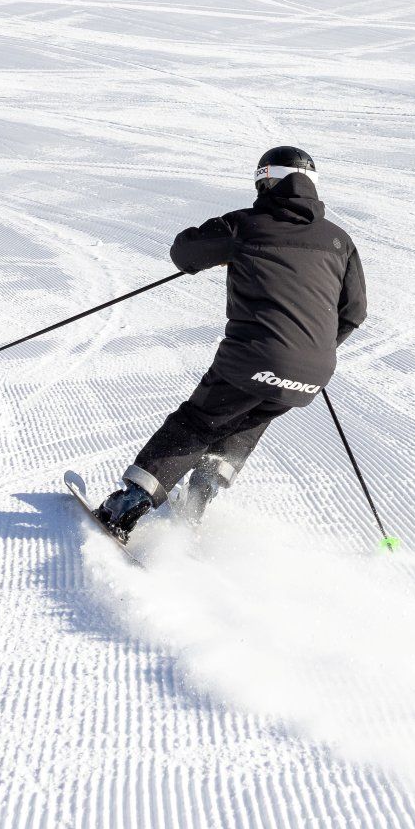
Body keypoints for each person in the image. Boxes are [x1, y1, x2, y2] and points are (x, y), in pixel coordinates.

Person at [91, 146, 368, 541]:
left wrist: (224, 249)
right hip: (313, 371)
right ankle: (196, 504)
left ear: (266, 180)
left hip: (253, 358)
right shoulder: (339, 241)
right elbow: (354, 311)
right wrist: (313, 346)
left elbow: (184, 252)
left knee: (198, 421)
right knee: (248, 419)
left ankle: (127, 505)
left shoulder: (246, 225)